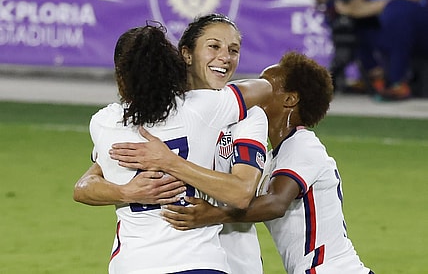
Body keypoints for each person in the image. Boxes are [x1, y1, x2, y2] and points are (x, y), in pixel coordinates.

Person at [120, 52, 375, 274]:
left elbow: (275, 203)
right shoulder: (276, 154)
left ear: (290, 100)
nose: (257, 89)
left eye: (266, 85)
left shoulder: (303, 145)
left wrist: (212, 215)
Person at [74, 16, 272, 273]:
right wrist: (128, 192)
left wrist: (168, 163)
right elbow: (83, 187)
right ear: (184, 56)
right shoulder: (205, 109)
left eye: (233, 50)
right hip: (200, 258)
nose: (225, 57)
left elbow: (242, 193)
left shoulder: (106, 122)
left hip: (224, 258)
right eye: (214, 46)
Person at [335, 0, 428, 100]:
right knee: (351, 18)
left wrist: (365, 9)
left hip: (417, 22)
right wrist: (347, 5)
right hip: (377, 19)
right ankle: (375, 77)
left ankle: (396, 82)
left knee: (399, 8)